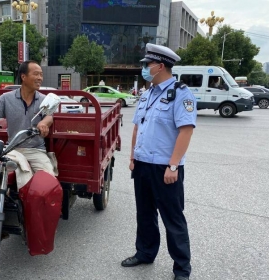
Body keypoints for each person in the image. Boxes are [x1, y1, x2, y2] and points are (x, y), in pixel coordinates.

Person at [121, 43, 197, 280]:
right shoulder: (147, 93)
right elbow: (137, 127)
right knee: (144, 214)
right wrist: (133, 156)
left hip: (166, 167)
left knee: (172, 218)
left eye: (147, 64)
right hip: (143, 164)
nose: (144, 68)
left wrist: (173, 165)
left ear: (160, 66)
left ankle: (182, 268)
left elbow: (186, 131)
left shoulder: (181, 93)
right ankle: (145, 252)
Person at [0, 60, 56, 187]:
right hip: (13, 149)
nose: (40, 78)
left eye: (41, 74)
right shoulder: (7, 98)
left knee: (49, 181)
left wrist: (43, 124)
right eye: (36, 74)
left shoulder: (44, 99)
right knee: (0, 177)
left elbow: (49, 117)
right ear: (23, 77)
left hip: (36, 150)